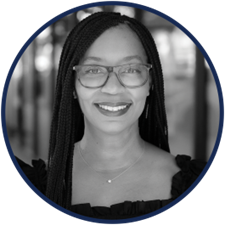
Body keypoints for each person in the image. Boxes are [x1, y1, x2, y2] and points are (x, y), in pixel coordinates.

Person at [15, 12, 206, 219]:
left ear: (150, 83)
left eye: (131, 69)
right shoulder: (34, 182)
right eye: (94, 70)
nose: (113, 88)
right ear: (72, 85)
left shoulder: (194, 180)